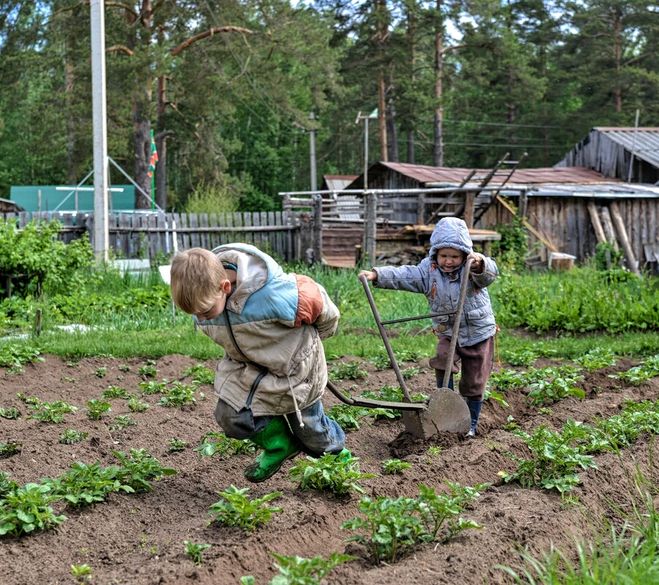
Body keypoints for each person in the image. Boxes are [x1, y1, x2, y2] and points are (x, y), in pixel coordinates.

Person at [170, 243, 346, 482]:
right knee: (230, 416)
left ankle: (340, 461)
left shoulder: (271, 293)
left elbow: (321, 307)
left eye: (205, 311)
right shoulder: (207, 299)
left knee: (312, 432)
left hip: (295, 369)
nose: (200, 319)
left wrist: (317, 339)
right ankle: (280, 445)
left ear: (225, 287)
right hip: (250, 369)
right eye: (195, 314)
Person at [359, 217, 498, 438]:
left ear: (464, 255)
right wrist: (377, 275)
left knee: (474, 381)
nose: (449, 262)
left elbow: (489, 274)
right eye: (444, 256)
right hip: (448, 331)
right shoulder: (428, 271)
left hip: (477, 333)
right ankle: (446, 404)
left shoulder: (472, 268)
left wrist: (480, 263)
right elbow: (405, 275)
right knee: (442, 359)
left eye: (454, 256)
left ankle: (470, 422)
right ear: (435, 254)